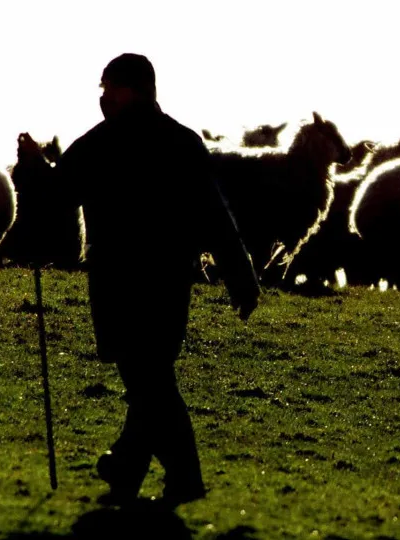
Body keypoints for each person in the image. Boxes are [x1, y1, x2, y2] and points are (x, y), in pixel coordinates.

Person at [56, 53, 260, 507]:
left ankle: (172, 476)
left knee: (148, 381)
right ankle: (128, 471)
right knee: (150, 378)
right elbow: (216, 216)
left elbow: (56, 194)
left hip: (118, 285)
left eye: (107, 87)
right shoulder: (183, 142)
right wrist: (240, 278)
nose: (103, 97)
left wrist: (30, 167)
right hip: (169, 284)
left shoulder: (99, 144)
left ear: (129, 89)